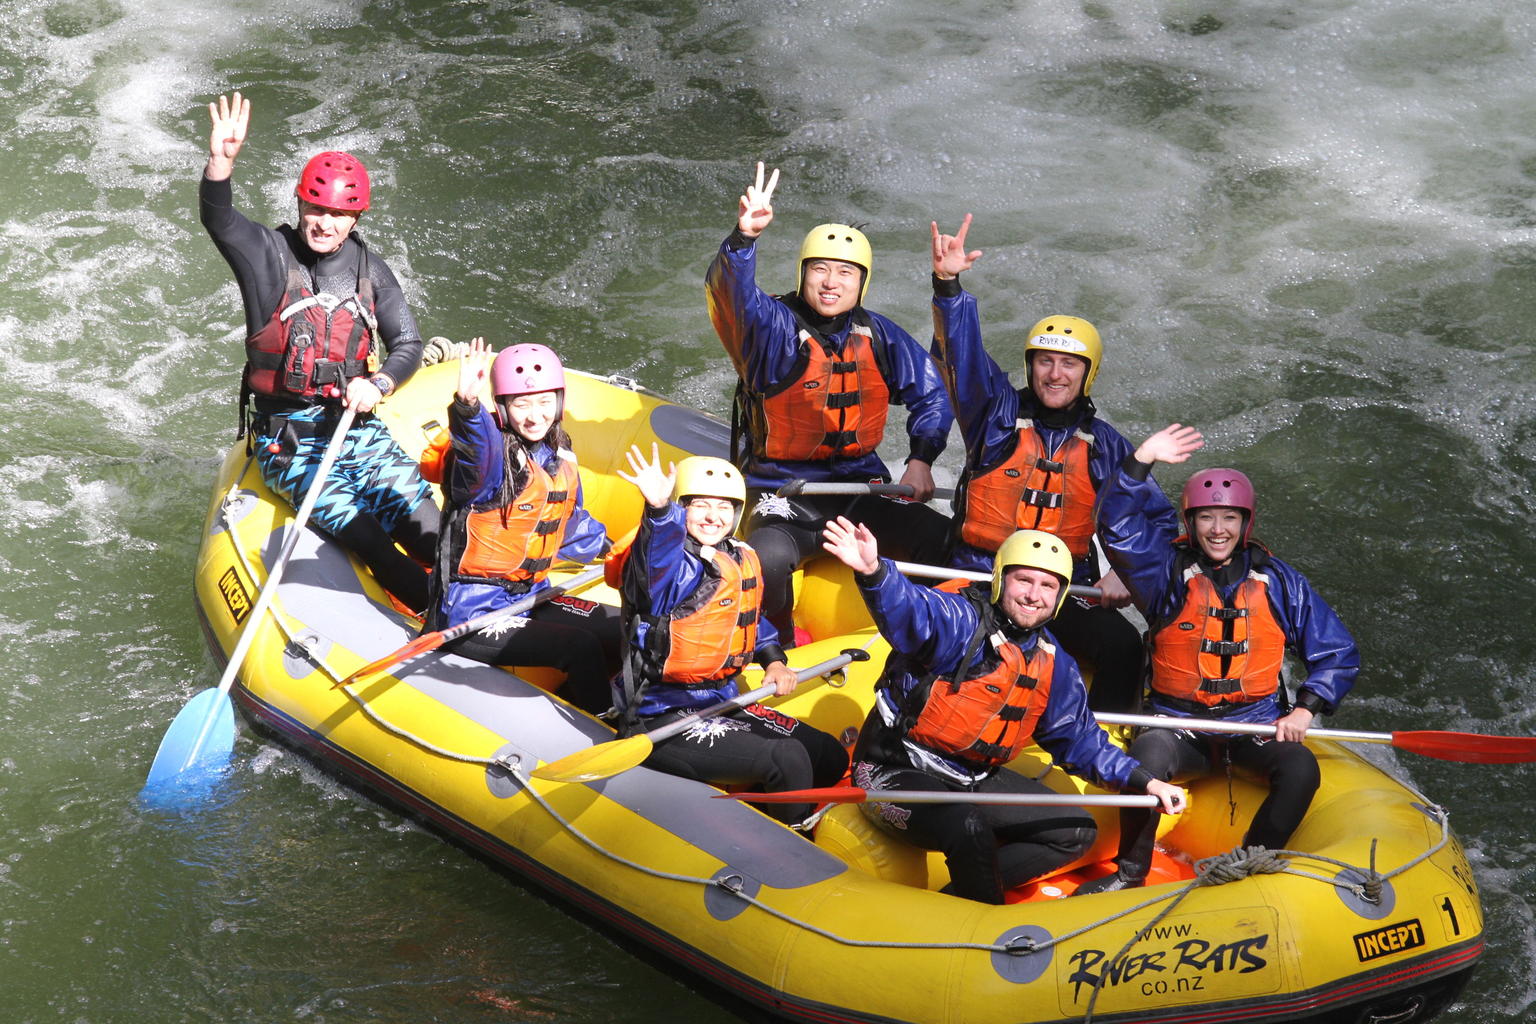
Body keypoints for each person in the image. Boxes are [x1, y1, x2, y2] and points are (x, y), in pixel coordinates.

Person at [821, 518, 1185, 905]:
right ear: (1000, 579)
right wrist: (875, 573)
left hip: (969, 776)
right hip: (891, 769)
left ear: (1060, 596)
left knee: (1075, 832)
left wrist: (1144, 780)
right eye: (1023, 581)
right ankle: (980, 918)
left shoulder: (1051, 661)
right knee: (969, 827)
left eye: (1048, 586)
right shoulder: (959, 621)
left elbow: (1078, 740)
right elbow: (913, 611)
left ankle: (953, 898)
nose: (1034, 595)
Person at [1075, 424, 1359, 895]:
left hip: (1254, 727)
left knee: (1301, 769)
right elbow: (1117, 526)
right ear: (1191, 521)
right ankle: (1129, 874)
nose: (1218, 530)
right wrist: (1141, 457)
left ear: (1246, 523)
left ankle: (1250, 859)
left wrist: (1307, 706)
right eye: (1206, 518)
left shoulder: (1281, 583)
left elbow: (1338, 653)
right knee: (1145, 761)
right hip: (1178, 726)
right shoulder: (1162, 573)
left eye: (1229, 517)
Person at [199, 91, 437, 613]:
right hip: (291, 440)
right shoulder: (267, 256)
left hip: (357, 429)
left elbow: (408, 344)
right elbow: (219, 221)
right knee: (373, 542)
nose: (324, 223)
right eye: (315, 209)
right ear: (299, 203)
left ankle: (486, 607)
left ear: (355, 217)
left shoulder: (369, 270)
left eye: (338, 213)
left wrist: (378, 384)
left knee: (431, 535)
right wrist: (221, 164)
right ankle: (452, 625)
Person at [926, 216, 1176, 714]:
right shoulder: (992, 414)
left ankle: (1102, 750)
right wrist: (948, 286)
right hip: (980, 579)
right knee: (950, 645)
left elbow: (1159, 521)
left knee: (1125, 647)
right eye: (1044, 361)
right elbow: (962, 357)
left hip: (1061, 588)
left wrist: (1127, 574)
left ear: (1089, 374)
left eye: (1069, 365)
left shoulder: (1104, 445)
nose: (1055, 374)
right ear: (1029, 366)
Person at [706, 163, 955, 641]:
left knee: (945, 541)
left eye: (845, 272)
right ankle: (771, 647)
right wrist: (742, 240)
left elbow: (932, 396)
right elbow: (729, 296)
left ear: (862, 283)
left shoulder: (878, 335)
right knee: (770, 560)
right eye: (819, 269)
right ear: (802, 274)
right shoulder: (771, 329)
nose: (830, 282)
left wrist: (922, 459)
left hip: (861, 491)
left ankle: (935, 638)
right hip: (783, 493)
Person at [609, 445, 849, 825]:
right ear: (681, 508)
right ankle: (790, 848)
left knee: (826, 753)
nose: (712, 516)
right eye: (700, 504)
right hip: (662, 718)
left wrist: (773, 661)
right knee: (786, 758)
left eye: (724, 507)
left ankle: (767, 808)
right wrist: (658, 510)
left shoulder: (736, 556)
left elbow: (750, 624)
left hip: (721, 702)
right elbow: (656, 557)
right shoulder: (666, 569)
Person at [431, 338, 621, 716]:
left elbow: (566, 523)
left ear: (560, 402)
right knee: (579, 647)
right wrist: (467, 409)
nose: (535, 415)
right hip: (473, 612)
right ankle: (602, 724)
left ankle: (575, 700)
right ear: (502, 407)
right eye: (521, 404)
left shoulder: (556, 453)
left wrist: (615, 551)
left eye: (544, 402)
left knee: (622, 629)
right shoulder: (489, 464)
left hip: (529, 597)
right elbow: (474, 449)